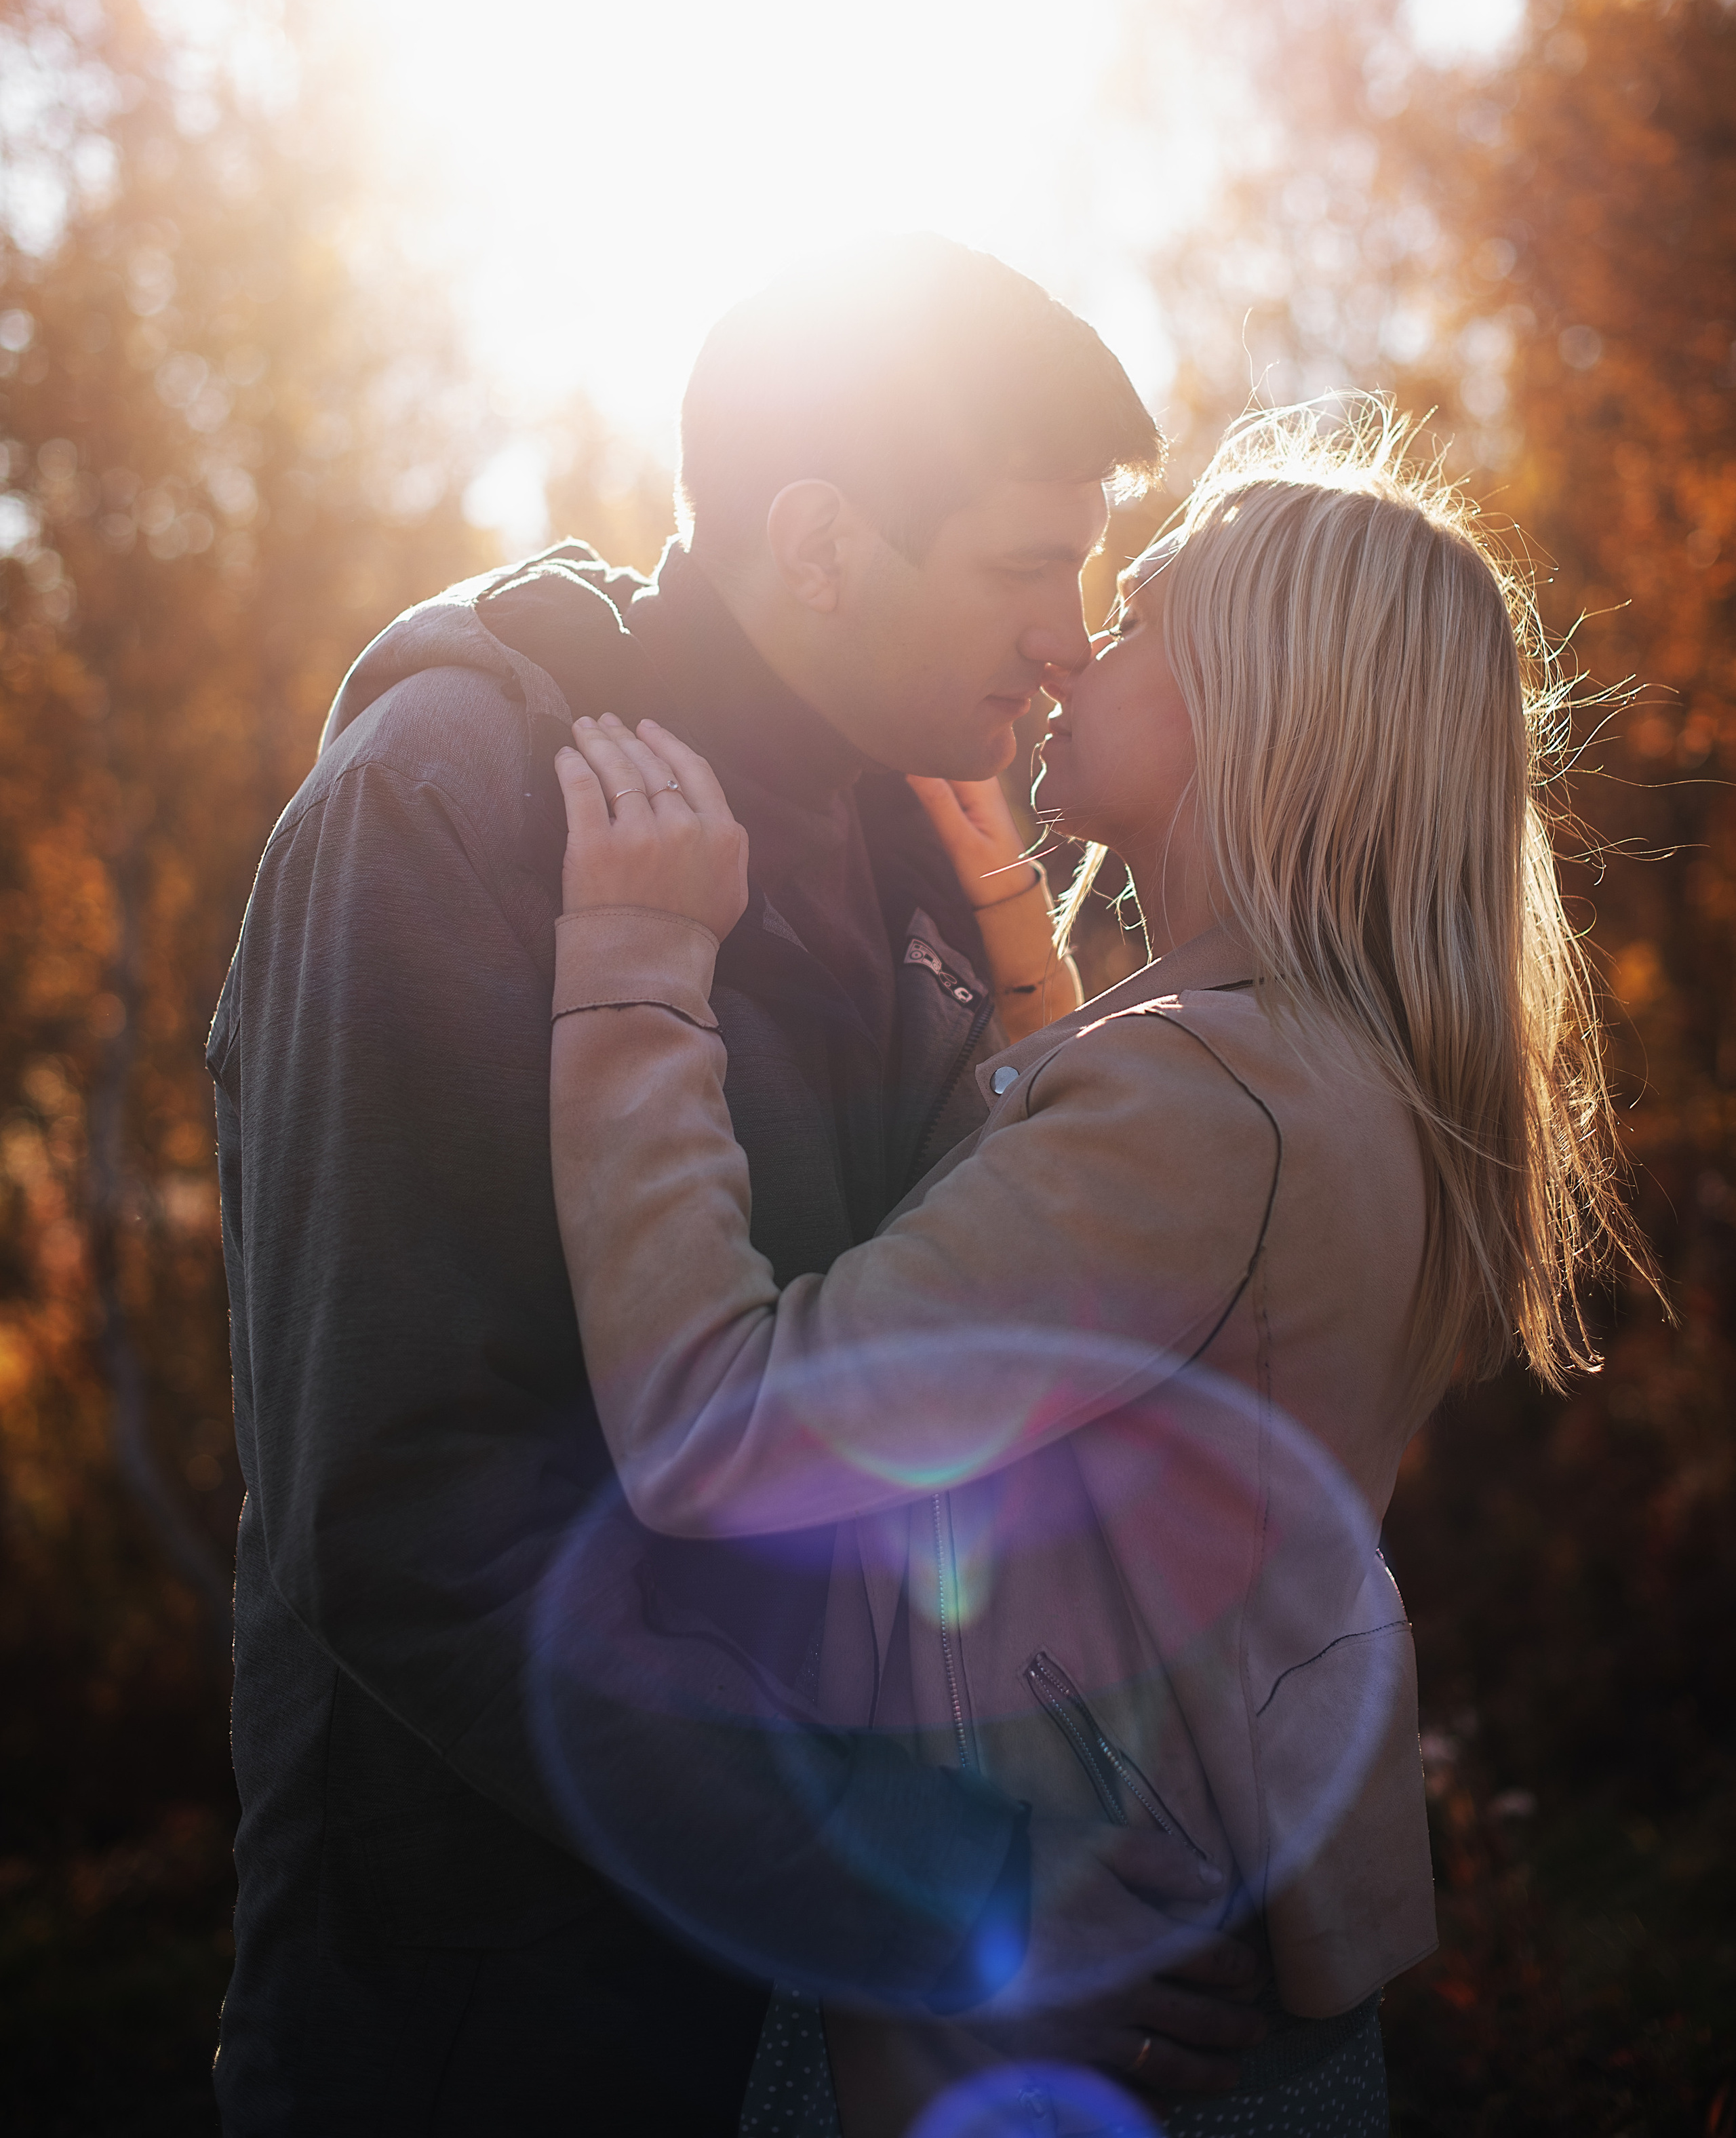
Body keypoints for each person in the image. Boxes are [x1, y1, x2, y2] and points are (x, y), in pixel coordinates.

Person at [207, 235, 1266, 2136]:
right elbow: (411, 1519)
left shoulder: (914, 835)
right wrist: (947, 1893)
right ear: (821, 543)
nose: (1068, 637)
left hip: (827, 2031)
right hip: (495, 2033)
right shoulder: (444, 807)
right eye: (1024, 566)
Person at [540, 406, 1644, 2137]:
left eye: (1134, 622)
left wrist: (633, 969)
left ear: (1255, 710)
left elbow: (718, 1431)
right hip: (1207, 1975)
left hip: (1046, 2028)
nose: (1066, 652)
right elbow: (1121, 1294)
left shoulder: (1196, 1108)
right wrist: (1004, 907)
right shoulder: (1346, 1076)